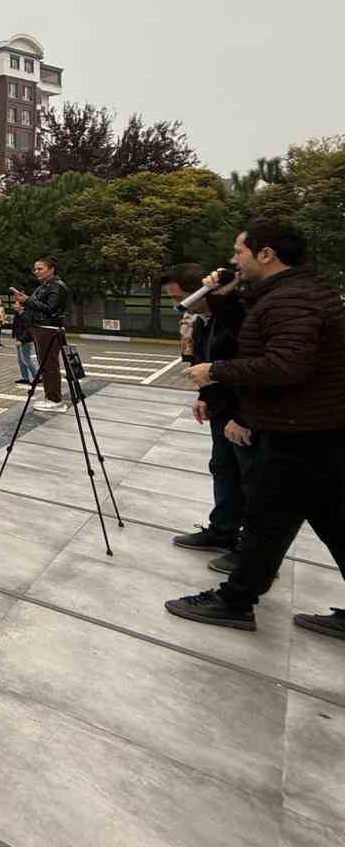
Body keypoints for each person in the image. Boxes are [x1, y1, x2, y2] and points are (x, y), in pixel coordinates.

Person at [168, 219, 345, 638]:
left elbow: (286, 365)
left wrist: (216, 371)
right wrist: (225, 299)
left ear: (266, 254)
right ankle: (237, 598)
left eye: (239, 252)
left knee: (269, 519)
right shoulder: (291, 293)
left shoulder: (293, 301)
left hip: (303, 431)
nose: (233, 260)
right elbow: (251, 337)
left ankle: (235, 601)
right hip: (311, 430)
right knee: (293, 522)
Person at [161, 264, 250, 570]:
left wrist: (243, 416)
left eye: (181, 296)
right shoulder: (202, 321)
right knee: (223, 467)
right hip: (221, 410)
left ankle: (253, 553)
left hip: (244, 413)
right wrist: (204, 397)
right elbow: (204, 363)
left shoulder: (237, 318)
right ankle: (222, 530)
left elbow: (249, 369)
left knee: (250, 479)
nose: (178, 305)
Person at [11, 257, 71, 412]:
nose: (36, 272)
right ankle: (50, 397)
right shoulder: (44, 286)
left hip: (48, 330)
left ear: (51, 269)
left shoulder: (57, 286)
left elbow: (50, 309)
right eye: (35, 269)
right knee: (45, 365)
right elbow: (37, 310)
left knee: (49, 365)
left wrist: (27, 300)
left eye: (40, 268)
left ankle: (55, 399)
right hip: (40, 329)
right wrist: (23, 309)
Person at [11, 298, 36, 385]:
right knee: (20, 360)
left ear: (22, 307)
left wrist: (21, 340)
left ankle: (36, 377)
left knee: (26, 359)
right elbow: (16, 327)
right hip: (19, 339)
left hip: (25, 340)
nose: (14, 305)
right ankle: (25, 377)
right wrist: (16, 337)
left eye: (16, 304)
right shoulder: (17, 314)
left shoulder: (26, 316)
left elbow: (27, 330)